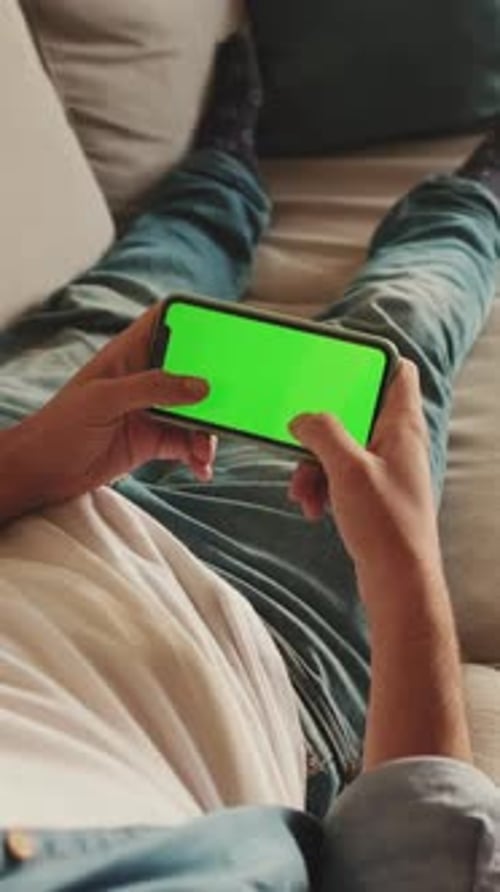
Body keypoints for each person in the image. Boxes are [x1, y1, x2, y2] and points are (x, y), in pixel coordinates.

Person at [0, 30, 499, 891]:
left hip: (22, 492)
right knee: (400, 337)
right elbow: (422, 849)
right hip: (254, 634)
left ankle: (222, 173)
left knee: (121, 303)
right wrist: (403, 559)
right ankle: (475, 205)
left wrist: (32, 461)